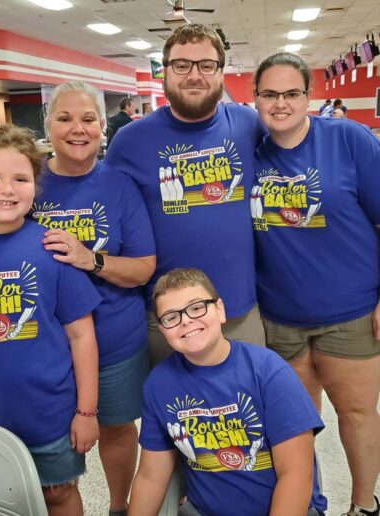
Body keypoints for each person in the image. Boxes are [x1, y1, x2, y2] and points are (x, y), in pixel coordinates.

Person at [252, 52, 380, 516]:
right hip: (279, 316)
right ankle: (309, 503)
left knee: (357, 414)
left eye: (291, 93)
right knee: (295, 426)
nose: (281, 103)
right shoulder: (250, 150)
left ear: (309, 97)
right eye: (270, 94)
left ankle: (364, 505)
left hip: (351, 311)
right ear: (257, 99)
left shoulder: (349, 139)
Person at [30, 81, 156, 516]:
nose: (77, 129)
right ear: (47, 124)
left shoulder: (120, 185)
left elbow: (143, 267)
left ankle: (117, 507)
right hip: (42, 345)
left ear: (104, 128)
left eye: (88, 119)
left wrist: (91, 260)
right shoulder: (26, 182)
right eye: (64, 118)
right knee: (52, 444)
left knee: (117, 430)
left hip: (114, 343)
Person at [105, 24, 266, 364]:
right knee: (173, 414)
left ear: (221, 71)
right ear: (165, 71)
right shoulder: (129, 141)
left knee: (251, 412)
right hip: (164, 316)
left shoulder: (248, 124)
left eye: (206, 65)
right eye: (181, 65)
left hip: (238, 310)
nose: (194, 75)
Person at [129, 268, 327, 516]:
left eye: (197, 307)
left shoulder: (269, 371)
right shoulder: (158, 385)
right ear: (162, 328)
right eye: (171, 317)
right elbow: (150, 477)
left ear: (220, 310)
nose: (186, 320)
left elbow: (296, 474)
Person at [0, 124, 101, 516]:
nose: (7, 189)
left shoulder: (52, 246)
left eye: (20, 178)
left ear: (36, 185)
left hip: (52, 416)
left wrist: (87, 412)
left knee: (58, 495)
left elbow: (82, 336)